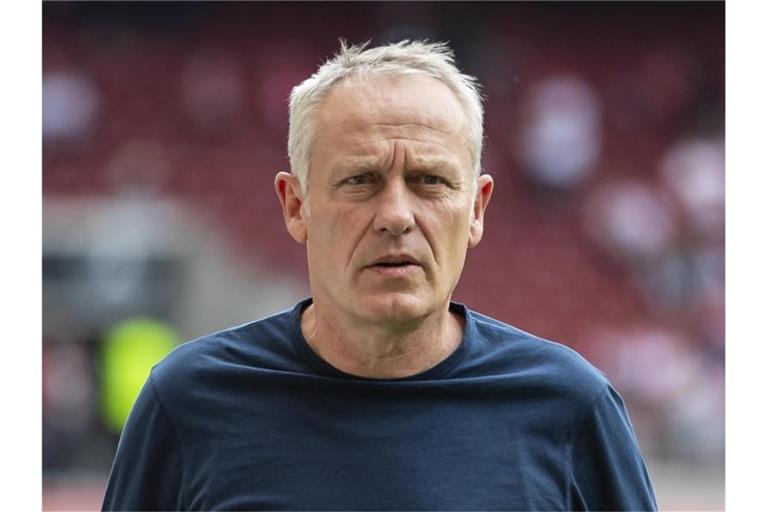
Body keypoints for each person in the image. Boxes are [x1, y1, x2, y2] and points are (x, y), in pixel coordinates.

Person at [102, 40, 657, 511]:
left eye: (430, 181)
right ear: (296, 206)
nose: (396, 216)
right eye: (361, 179)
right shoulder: (189, 402)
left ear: (478, 209)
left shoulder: (568, 407)